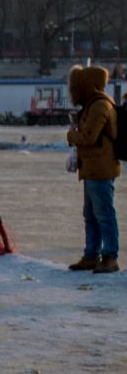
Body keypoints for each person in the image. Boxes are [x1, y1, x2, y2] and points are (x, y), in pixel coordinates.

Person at [65, 64, 120, 274]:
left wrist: (71, 136)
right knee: (90, 214)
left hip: (101, 169)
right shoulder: (91, 105)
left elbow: (89, 136)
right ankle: (91, 255)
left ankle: (110, 257)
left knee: (104, 214)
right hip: (91, 168)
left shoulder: (99, 106)